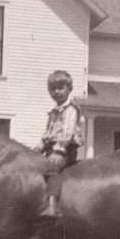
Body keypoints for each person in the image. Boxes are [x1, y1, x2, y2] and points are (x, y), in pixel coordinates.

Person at [34, 70, 82, 221]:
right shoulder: (54, 112)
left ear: (69, 89)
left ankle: (52, 206)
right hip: (51, 148)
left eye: (60, 88)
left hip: (65, 149)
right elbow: (47, 134)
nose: (56, 92)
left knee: (52, 168)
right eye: (53, 88)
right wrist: (38, 148)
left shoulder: (70, 109)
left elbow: (67, 132)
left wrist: (59, 150)